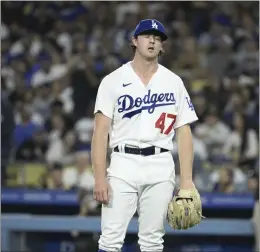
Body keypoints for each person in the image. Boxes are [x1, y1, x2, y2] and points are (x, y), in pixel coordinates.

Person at [91, 19, 200, 252]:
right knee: (110, 240)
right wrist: (99, 177)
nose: (152, 40)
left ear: (162, 46)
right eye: (146, 36)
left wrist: (187, 181)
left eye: (158, 37)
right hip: (123, 164)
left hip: (160, 164)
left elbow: (184, 132)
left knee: (152, 242)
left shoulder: (174, 82)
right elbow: (100, 133)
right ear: (134, 41)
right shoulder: (113, 81)